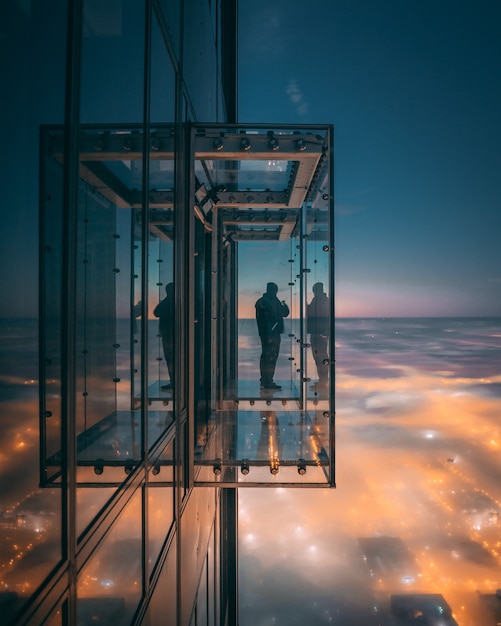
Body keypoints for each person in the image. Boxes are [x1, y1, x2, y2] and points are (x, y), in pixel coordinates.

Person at [255, 282, 289, 390]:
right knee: (269, 356)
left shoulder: (273, 301)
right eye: (274, 289)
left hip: (272, 332)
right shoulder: (264, 302)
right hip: (269, 333)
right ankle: (267, 380)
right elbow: (269, 318)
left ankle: (266, 379)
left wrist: (284, 306)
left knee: (270, 356)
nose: (275, 291)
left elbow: (284, 313)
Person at [307, 282, 330, 388]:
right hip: (318, 332)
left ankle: (324, 380)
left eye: (315, 289)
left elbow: (315, 314)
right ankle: (322, 379)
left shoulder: (322, 301)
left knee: (320, 356)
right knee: (318, 357)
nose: (315, 291)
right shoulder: (318, 300)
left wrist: (307, 308)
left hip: (320, 332)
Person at [154, 282, 175, 390]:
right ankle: (176, 381)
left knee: (170, 359)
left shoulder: (167, 302)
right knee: (173, 359)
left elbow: (156, 312)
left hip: (168, 335)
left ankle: (174, 382)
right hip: (172, 334)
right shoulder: (177, 302)